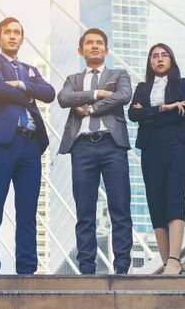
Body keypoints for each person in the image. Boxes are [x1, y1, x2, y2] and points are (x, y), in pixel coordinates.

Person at [0, 17, 55, 274]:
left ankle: (27, 269)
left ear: (22, 38)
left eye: (17, 32)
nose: (12, 36)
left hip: (31, 145)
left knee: (28, 210)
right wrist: (31, 92)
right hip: (1, 142)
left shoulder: (30, 69)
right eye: (7, 32)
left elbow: (50, 93)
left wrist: (20, 85)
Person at [57, 28, 133, 275]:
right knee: (84, 210)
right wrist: (97, 93)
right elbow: (63, 98)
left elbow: (124, 95)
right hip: (82, 147)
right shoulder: (72, 79)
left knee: (120, 207)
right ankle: (87, 268)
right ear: (81, 50)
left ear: (106, 49)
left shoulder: (118, 74)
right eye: (89, 43)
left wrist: (90, 108)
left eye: (100, 43)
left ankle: (122, 265)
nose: (95, 46)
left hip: (113, 145)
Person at [128, 43, 185, 275]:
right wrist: (166, 108)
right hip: (150, 148)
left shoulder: (183, 85)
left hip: (176, 145)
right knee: (156, 201)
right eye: (154, 56)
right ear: (150, 62)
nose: (159, 59)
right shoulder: (142, 87)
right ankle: (167, 264)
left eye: (165, 55)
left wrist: (150, 113)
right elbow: (133, 114)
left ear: (171, 59)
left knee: (174, 197)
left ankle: (175, 259)